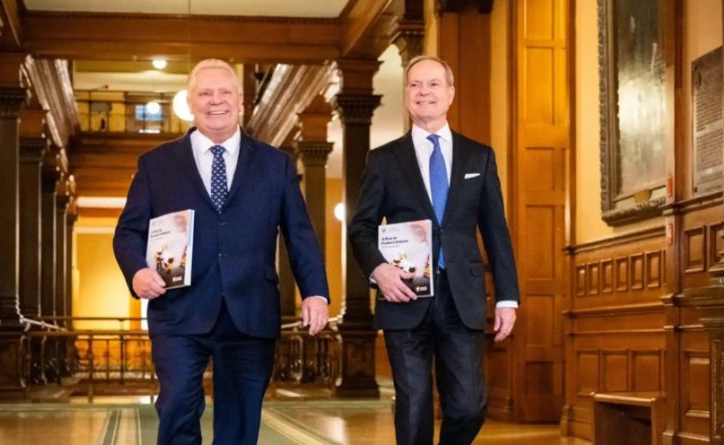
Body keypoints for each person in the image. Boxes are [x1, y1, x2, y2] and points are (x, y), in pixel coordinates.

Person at [113, 58, 329, 445]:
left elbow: (300, 234)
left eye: (224, 92)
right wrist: (137, 272)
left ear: (241, 99)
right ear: (190, 102)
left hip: (250, 311)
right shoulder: (156, 164)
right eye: (205, 93)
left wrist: (315, 291)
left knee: (241, 422)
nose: (216, 101)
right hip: (178, 308)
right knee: (177, 403)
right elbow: (128, 232)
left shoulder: (276, 164)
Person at [348, 55, 519, 445]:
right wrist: (379, 270)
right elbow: (361, 227)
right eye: (415, 85)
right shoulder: (383, 159)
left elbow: (496, 230)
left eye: (433, 84)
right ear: (407, 95)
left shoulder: (480, 157)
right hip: (404, 295)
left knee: (469, 407)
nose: (424, 92)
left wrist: (508, 297)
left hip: (463, 297)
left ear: (450, 93)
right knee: (413, 408)